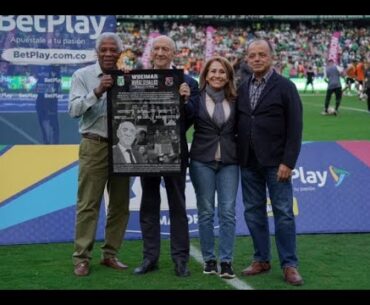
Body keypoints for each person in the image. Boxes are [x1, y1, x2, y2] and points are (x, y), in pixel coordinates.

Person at [236, 39, 304, 286]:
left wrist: (288, 161)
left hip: (277, 163)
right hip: (248, 162)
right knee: (253, 213)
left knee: (284, 214)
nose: (256, 59)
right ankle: (261, 259)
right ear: (246, 59)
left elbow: (295, 128)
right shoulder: (242, 87)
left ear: (271, 57)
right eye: (252, 55)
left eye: (261, 54)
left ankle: (289, 264)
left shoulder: (285, 87)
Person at [133, 35, 199, 277]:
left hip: (175, 151)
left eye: (165, 49)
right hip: (145, 150)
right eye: (157, 48)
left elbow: (194, 117)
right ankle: (150, 257)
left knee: (178, 206)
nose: (160, 52)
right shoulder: (137, 79)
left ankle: (180, 260)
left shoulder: (188, 82)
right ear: (151, 52)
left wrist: (184, 99)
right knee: (148, 204)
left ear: (174, 53)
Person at [68, 32, 130, 276]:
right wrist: (96, 91)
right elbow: (73, 110)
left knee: (120, 205)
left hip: (122, 147)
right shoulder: (82, 76)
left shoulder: (126, 77)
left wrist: (130, 86)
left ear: (119, 53)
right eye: (103, 49)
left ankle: (110, 255)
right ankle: (81, 258)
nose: (107, 53)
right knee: (88, 204)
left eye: (112, 50)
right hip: (94, 145)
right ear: (96, 52)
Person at [186, 56, 238, 279]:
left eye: (222, 72)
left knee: (227, 212)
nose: (217, 75)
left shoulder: (236, 99)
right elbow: (181, 123)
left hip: (229, 161)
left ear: (228, 77)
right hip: (201, 160)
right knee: (206, 212)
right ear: (205, 75)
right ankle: (209, 259)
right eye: (213, 71)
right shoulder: (196, 99)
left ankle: (226, 261)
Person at [35, 65, 60, 144]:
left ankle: (53, 143)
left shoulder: (54, 67)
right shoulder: (37, 66)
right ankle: (46, 141)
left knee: (52, 122)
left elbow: (56, 82)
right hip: (40, 97)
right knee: (43, 120)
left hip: (51, 98)